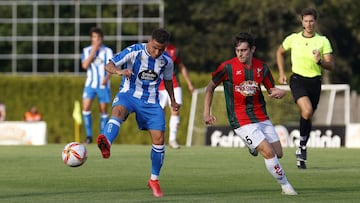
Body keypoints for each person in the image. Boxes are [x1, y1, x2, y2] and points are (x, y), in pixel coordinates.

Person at [204, 32, 297, 195]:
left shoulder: (262, 68)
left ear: (252, 49)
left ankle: (252, 146)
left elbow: (271, 89)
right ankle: (286, 186)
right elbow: (210, 87)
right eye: (238, 50)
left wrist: (281, 93)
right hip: (239, 118)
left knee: (278, 153)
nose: (240, 53)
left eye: (244, 50)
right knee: (268, 152)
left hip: (260, 115)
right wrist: (207, 113)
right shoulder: (227, 67)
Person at [96, 28, 179, 198]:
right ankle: (107, 143)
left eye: (161, 49)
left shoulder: (167, 61)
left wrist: (172, 100)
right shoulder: (134, 51)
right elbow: (108, 65)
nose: (157, 52)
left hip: (151, 102)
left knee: (159, 139)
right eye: (154, 47)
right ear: (149, 41)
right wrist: (120, 71)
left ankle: (154, 180)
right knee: (118, 111)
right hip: (129, 94)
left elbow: (169, 80)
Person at [276, 8, 335, 169]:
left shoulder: (323, 41)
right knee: (307, 110)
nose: (309, 24)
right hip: (297, 79)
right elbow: (279, 52)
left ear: (315, 22)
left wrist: (320, 61)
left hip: (315, 82)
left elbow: (331, 65)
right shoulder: (293, 39)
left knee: (307, 115)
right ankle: (302, 147)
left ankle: (302, 147)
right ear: (302, 22)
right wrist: (282, 73)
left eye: (311, 21)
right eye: (306, 21)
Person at [158, 43, 195, 149]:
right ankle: (160, 139)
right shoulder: (153, 49)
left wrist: (189, 84)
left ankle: (172, 139)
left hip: (174, 85)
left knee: (176, 110)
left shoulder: (173, 50)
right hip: (159, 87)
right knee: (159, 113)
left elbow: (181, 66)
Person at [81, 27, 114, 144]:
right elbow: (84, 65)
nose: (96, 40)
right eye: (94, 37)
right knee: (85, 107)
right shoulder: (86, 50)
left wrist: (106, 78)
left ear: (102, 39)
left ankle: (102, 136)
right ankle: (89, 136)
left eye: (98, 38)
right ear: (91, 38)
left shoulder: (108, 51)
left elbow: (111, 67)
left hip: (103, 85)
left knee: (103, 110)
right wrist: (93, 52)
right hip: (90, 84)